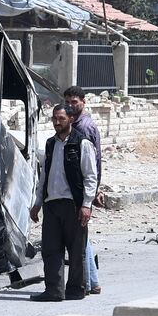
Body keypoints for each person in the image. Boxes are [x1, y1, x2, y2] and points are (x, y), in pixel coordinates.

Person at [29, 104, 99, 302]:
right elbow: (44, 175)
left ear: (70, 120)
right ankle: (54, 291)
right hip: (52, 205)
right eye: (54, 119)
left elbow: (90, 177)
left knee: (76, 251)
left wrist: (86, 205)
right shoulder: (51, 144)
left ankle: (76, 290)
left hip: (73, 206)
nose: (57, 122)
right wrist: (37, 202)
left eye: (61, 118)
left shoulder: (82, 144)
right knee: (51, 249)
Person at [62, 86, 105, 295]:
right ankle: (93, 281)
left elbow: (92, 163)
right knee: (81, 236)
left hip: (80, 191)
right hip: (80, 190)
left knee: (79, 236)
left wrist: (91, 192)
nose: (70, 105)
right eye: (67, 102)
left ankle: (87, 283)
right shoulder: (76, 124)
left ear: (83, 102)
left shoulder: (84, 127)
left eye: (74, 102)